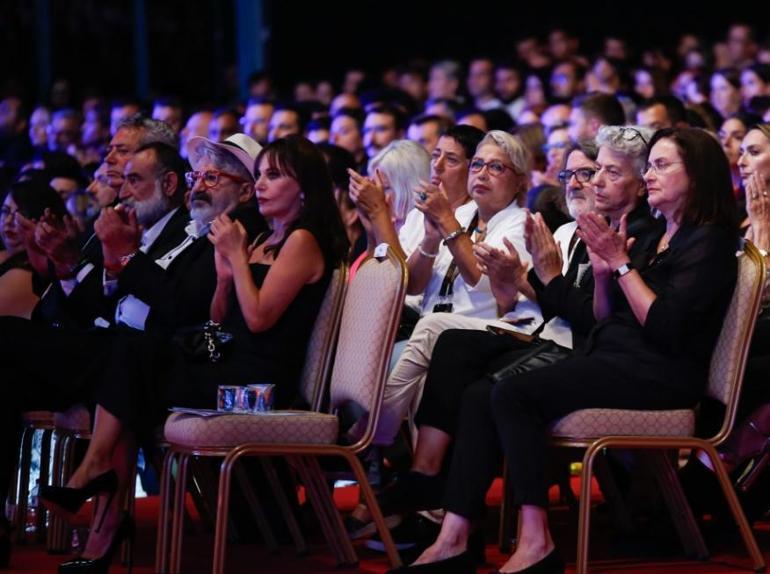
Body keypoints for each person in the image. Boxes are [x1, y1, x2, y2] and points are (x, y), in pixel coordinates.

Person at [399, 127, 738, 573]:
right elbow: (608, 313)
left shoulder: (708, 240)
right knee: (480, 395)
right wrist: (602, 272)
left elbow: (664, 326)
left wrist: (617, 264)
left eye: (661, 165)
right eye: (650, 164)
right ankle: (454, 538)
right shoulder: (661, 233)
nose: (651, 175)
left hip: (659, 374)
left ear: (697, 175)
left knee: (513, 394)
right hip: (615, 357)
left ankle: (537, 541)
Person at [40, 135, 348, 572]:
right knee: (129, 359)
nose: (260, 184)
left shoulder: (302, 241)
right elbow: (221, 321)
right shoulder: (261, 236)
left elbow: (259, 321)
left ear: (305, 188)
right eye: (259, 174)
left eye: (274, 175)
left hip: (258, 388)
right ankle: (99, 505)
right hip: (226, 363)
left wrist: (237, 261)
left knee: (131, 362)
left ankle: (97, 486)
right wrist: (225, 277)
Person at [0, 180, 67, 318]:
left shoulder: (24, 274)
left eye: (22, 214)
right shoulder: (5, 256)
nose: (8, 222)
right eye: (5, 212)